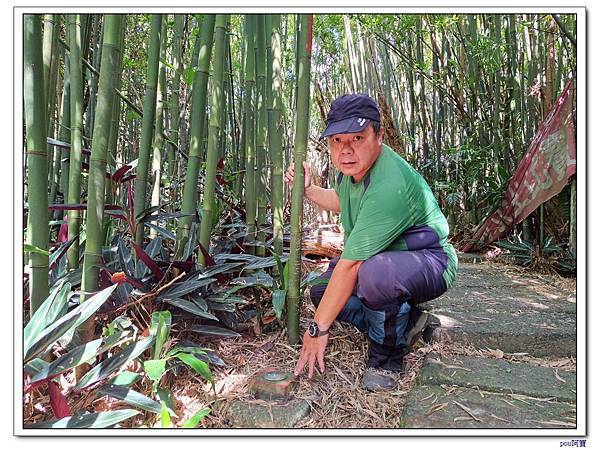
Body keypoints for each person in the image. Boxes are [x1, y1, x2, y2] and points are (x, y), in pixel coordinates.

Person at [285, 93, 458, 391]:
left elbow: (351, 266)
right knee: (321, 292)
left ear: (379, 136)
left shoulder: (390, 183)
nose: (346, 150)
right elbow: (341, 200)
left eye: (357, 137)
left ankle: (387, 356)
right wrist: (310, 188)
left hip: (430, 260)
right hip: (383, 257)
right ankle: (407, 321)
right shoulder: (353, 172)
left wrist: (317, 329)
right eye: (337, 140)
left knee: (372, 276)